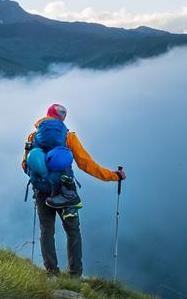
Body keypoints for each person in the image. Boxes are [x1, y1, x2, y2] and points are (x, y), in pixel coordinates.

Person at [23, 103, 126, 277]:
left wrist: (42, 175)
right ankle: (75, 275)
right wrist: (113, 176)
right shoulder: (68, 137)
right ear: (63, 119)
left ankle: (52, 273)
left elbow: (25, 165)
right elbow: (87, 164)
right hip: (66, 193)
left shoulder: (33, 136)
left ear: (46, 116)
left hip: (42, 190)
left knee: (46, 230)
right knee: (73, 231)